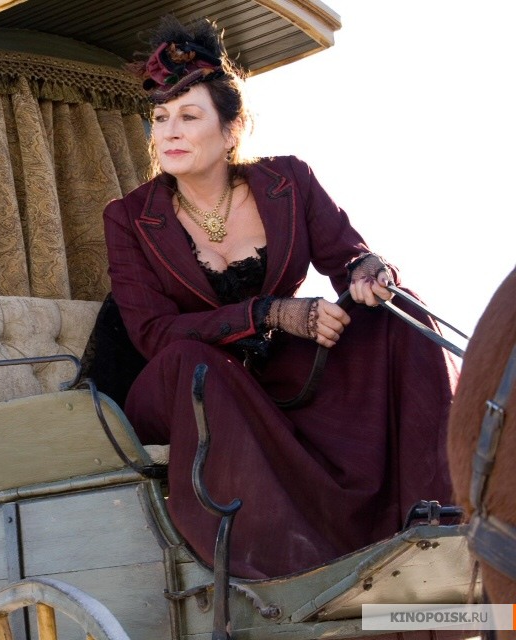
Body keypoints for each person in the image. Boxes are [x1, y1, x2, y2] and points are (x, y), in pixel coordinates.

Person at [103, 16, 458, 579]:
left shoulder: (287, 181)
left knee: (398, 312)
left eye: (189, 116)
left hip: (278, 370)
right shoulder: (128, 217)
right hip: (177, 382)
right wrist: (269, 312)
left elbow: (349, 254)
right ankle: (289, 562)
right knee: (196, 363)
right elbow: (153, 333)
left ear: (231, 129)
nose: (169, 132)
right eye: (161, 118)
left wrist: (370, 272)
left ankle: (433, 519)